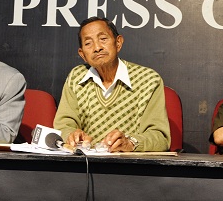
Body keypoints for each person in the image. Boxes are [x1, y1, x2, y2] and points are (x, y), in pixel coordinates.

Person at [54, 17, 171, 152]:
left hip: (131, 168)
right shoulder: (76, 77)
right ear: (82, 54)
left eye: (103, 39)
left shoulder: (148, 80)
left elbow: (160, 137)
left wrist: (130, 143)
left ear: (118, 43)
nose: (97, 48)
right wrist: (71, 135)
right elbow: (63, 126)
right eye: (88, 43)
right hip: (84, 167)